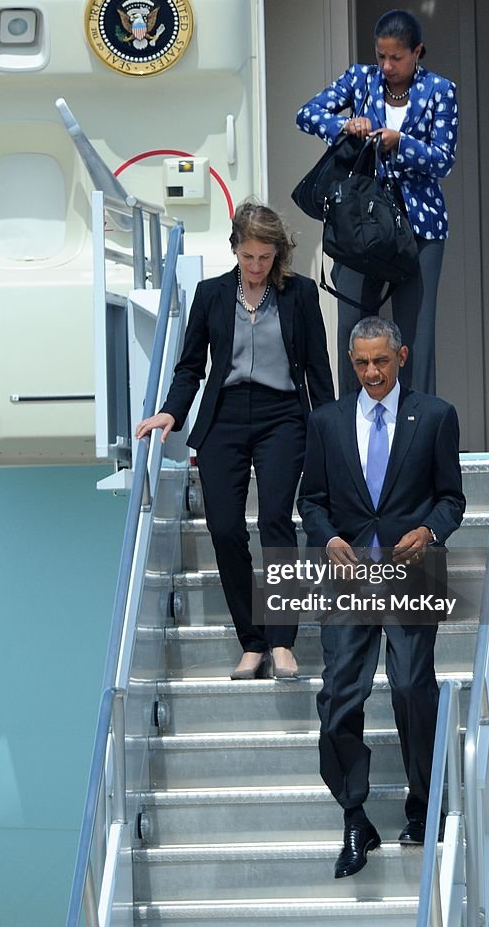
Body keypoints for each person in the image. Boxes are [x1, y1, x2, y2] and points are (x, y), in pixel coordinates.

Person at [135, 201, 334, 680]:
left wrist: (330, 432)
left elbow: (317, 368)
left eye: (265, 257)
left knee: (274, 523)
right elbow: (190, 367)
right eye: (248, 257)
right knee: (224, 528)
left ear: (278, 254)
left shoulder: (299, 294)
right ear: (235, 250)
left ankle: (283, 641)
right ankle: (253, 641)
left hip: (282, 416)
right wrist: (170, 412)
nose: (257, 266)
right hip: (223, 418)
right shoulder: (211, 295)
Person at [297, 316, 465, 877]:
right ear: (352, 362)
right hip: (347, 576)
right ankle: (354, 816)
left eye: (382, 361)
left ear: (402, 357)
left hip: (411, 569)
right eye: (363, 362)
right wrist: (328, 538)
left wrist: (430, 532)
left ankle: (423, 803)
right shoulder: (326, 422)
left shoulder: (436, 417)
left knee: (415, 688)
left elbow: (452, 498)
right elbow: (312, 501)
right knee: (339, 698)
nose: (372, 371)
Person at [296, 9, 459, 398]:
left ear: (417, 52)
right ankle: (352, 421)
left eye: (397, 57)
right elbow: (306, 114)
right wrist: (345, 126)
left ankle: (418, 425)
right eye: (381, 55)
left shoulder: (440, 89)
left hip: (420, 226)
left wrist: (401, 142)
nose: (387, 66)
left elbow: (444, 159)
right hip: (360, 222)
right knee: (352, 323)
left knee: (415, 331)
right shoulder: (360, 79)